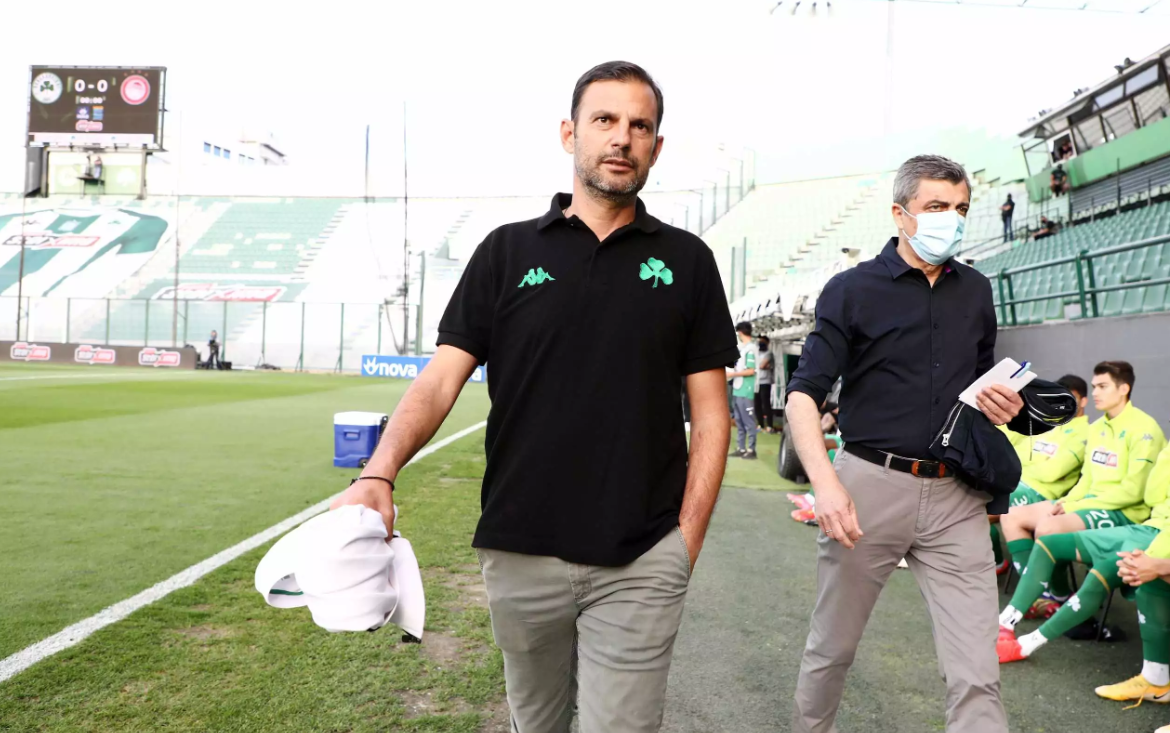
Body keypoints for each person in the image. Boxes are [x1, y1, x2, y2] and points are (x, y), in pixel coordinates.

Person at [329, 60, 739, 733]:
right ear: (569, 133)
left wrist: (683, 543)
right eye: (604, 119)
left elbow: (713, 416)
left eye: (640, 126)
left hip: (642, 558)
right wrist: (379, 471)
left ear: (656, 147)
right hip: (520, 551)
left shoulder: (688, 260)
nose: (622, 137)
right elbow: (439, 379)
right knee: (535, 723)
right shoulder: (506, 252)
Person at [785, 154, 1023, 733]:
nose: (952, 219)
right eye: (937, 206)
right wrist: (827, 486)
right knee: (832, 649)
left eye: (961, 208)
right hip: (866, 490)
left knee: (977, 672)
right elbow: (802, 396)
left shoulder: (977, 290)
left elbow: (982, 384)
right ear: (900, 214)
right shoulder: (851, 289)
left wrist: (1006, 406)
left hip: (956, 496)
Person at [996, 441, 1170, 666]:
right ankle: (1006, 621)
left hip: (1134, 519)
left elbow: (1137, 494)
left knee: (1105, 567)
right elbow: (1154, 497)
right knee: (1049, 543)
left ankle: (1026, 644)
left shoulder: (1145, 432)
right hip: (1147, 528)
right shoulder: (1102, 429)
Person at [992, 374, 1091, 593]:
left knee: (979, 509)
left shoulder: (1086, 433)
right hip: (1018, 483)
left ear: (1083, 401)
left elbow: (1052, 472)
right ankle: (1003, 568)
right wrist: (1035, 464)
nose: (1063, 404)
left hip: (1042, 493)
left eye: (1071, 399)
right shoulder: (1049, 422)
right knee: (969, 503)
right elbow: (1014, 456)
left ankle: (1035, 589)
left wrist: (1031, 465)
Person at [727, 322, 759, 459]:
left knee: (748, 421)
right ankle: (741, 448)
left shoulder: (751, 349)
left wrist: (732, 374)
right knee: (739, 420)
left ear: (740, 333)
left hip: (746, 389)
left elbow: (751, 370)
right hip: (738, 389)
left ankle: (751, 450)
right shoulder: (744, 348)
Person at [755, 335, 776, 433]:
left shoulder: (769, 353)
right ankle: (760, 425)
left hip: (766, 382)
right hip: (757, 382)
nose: (761, 343)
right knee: (757, 404)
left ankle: (770, 426)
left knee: (766, 404)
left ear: (767, 343)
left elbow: (762, 365)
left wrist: (760, 365)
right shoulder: (757, 353)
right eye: (760, 341)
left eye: (763, 341)